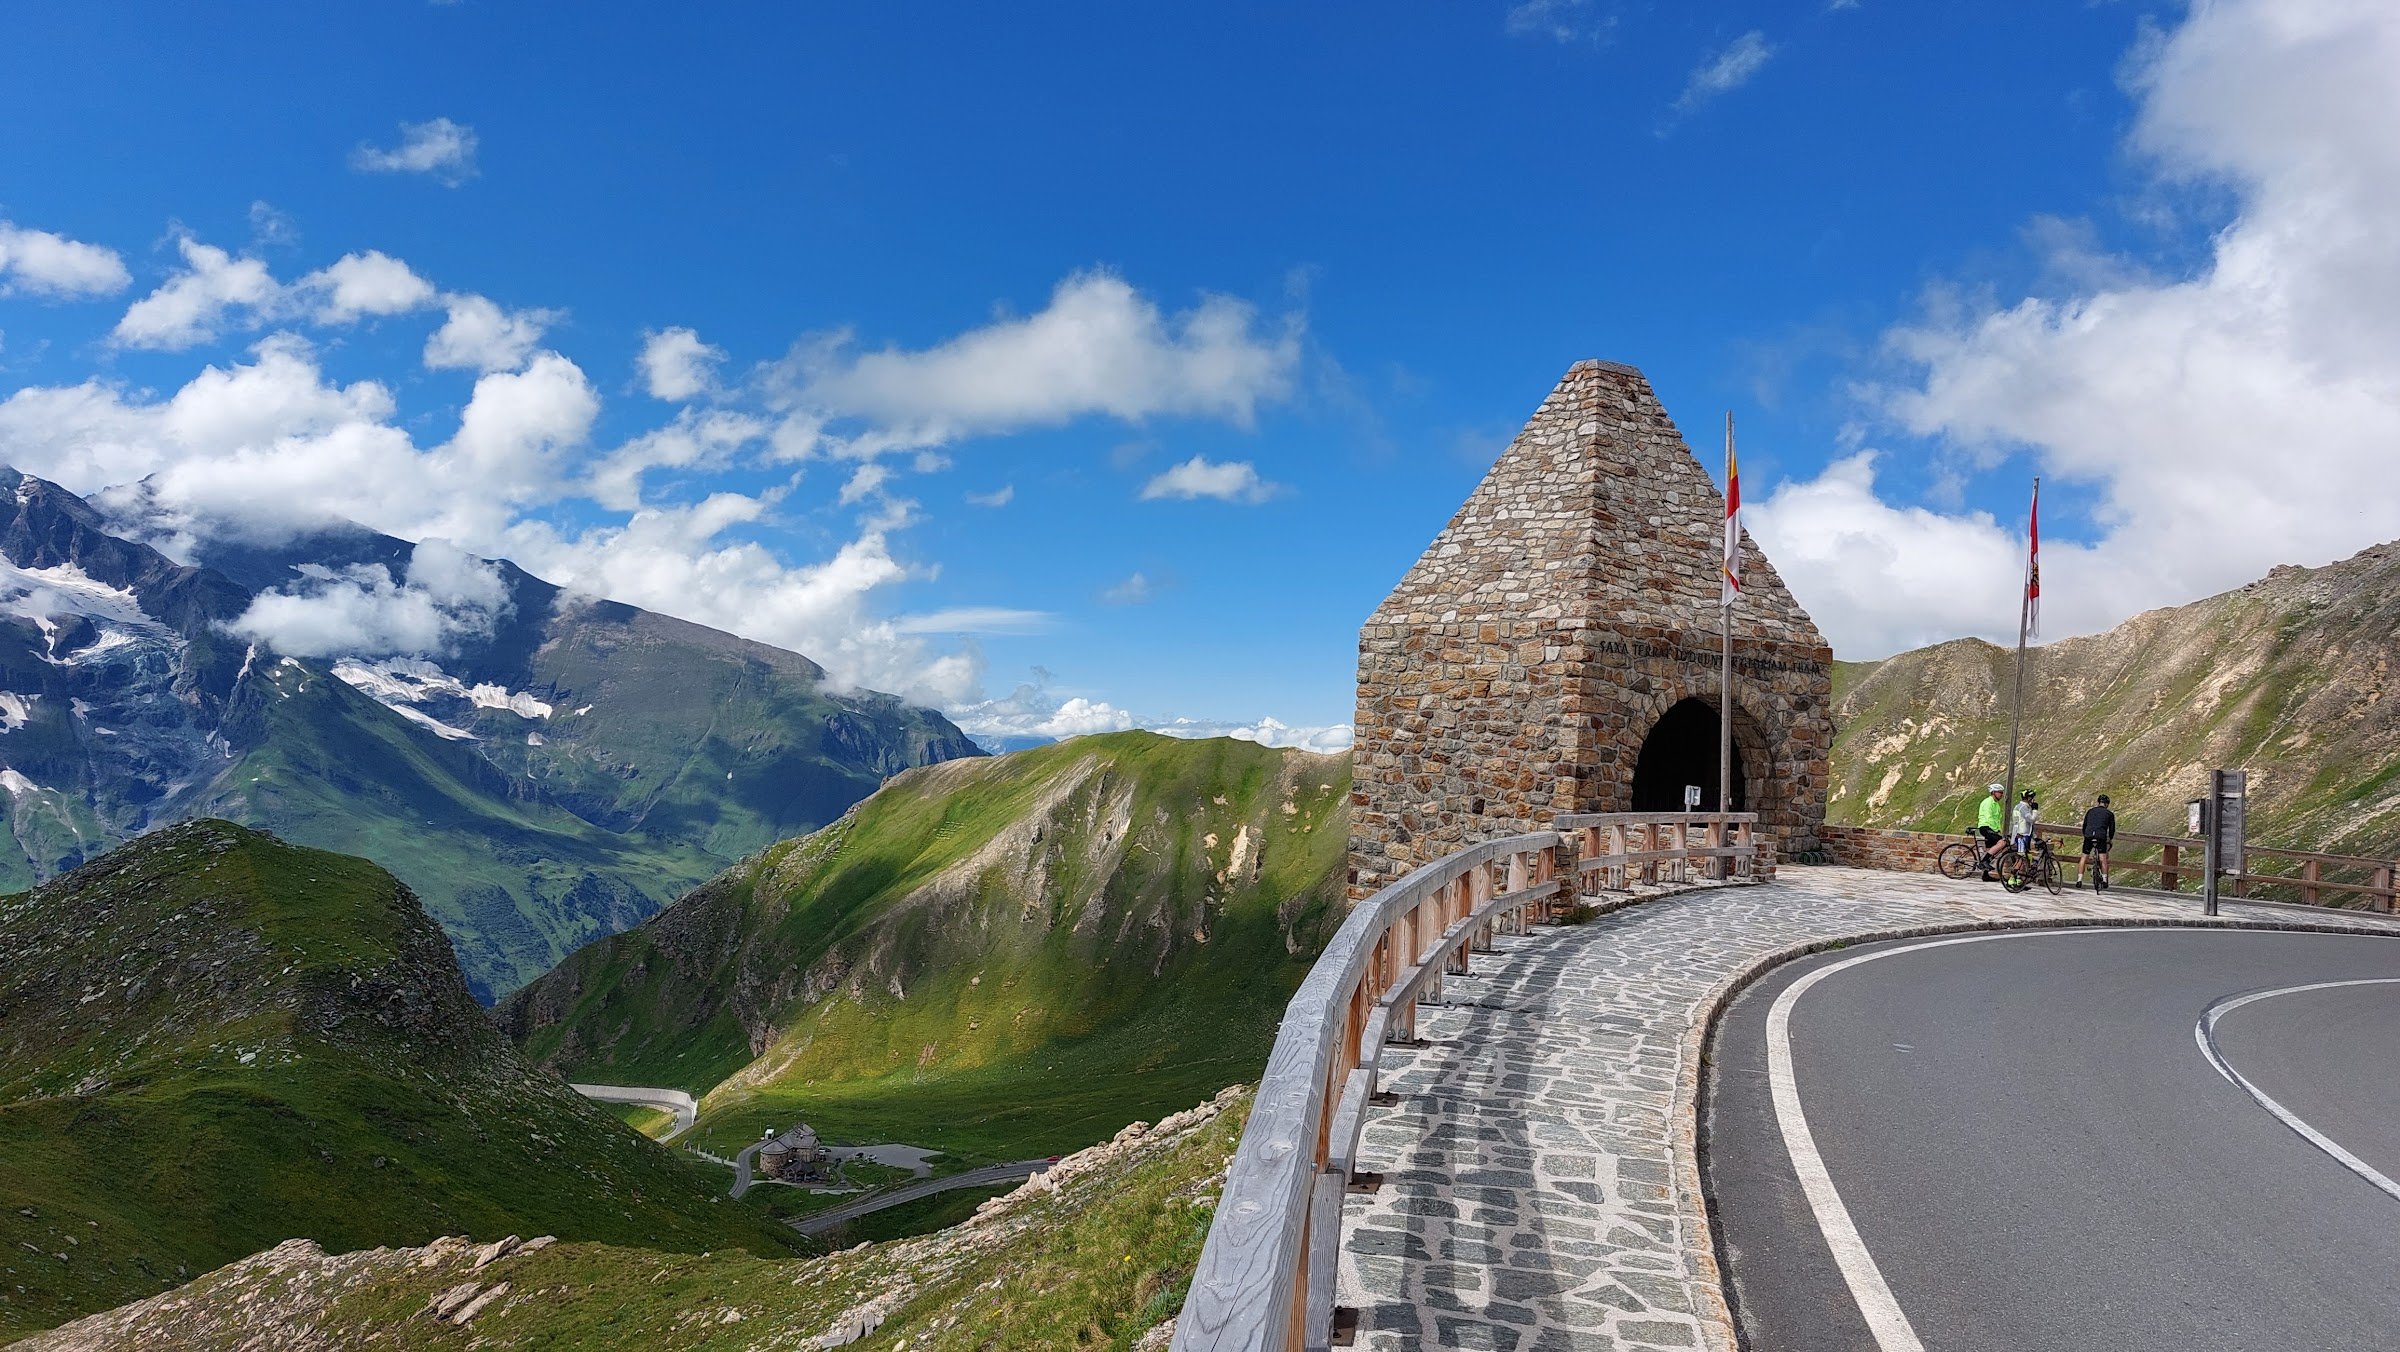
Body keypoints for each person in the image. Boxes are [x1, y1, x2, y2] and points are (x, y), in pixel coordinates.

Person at [2079, 793, 2117, 890]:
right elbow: (2112, 829)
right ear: (2107, 804)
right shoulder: (2109, 814)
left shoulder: (2090, 811)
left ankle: (2079, 880)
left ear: (2098, 802)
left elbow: (2085, 825)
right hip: (2101, 837)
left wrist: (2085, 834)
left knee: (2084, 857)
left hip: (2088, 835)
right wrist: (2110, 839)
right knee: (2103, 859)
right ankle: (2104, 880)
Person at [1975, 783, 2007, 879]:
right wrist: (1995, 831)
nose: (2001, 794)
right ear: (1993, 792)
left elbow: (1997, 819)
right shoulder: (1988, 802)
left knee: (1990, 850)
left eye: (2002, 792)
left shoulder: (1996, 804)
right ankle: (1983, 862)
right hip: (1986, 827)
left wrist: (1998, 830)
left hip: (1991, 828)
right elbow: (1989, 818)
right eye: (2000, 792)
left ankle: (1985, 875)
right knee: (2002, 843)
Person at [2011, 789, 2039, 858]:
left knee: (2025, 855)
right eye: (2032, 798)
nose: (2033, 800)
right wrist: (2035, 810)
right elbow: (2031, 820)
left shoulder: (2018, 806)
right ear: (2029, 798)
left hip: (2019, 833)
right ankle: (2017, 868)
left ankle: (2023, 867)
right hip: (2022, 834)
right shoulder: (2023, 808)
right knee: (2021, 856)